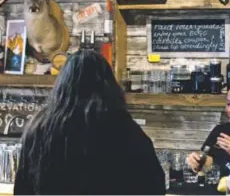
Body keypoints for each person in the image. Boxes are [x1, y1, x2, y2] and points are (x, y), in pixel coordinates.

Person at [14, 50, 165, 195]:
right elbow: (154, 187)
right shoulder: (123, 127)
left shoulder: (39, 127)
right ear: (108, 85)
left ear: (62, 84)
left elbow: (22, 188)